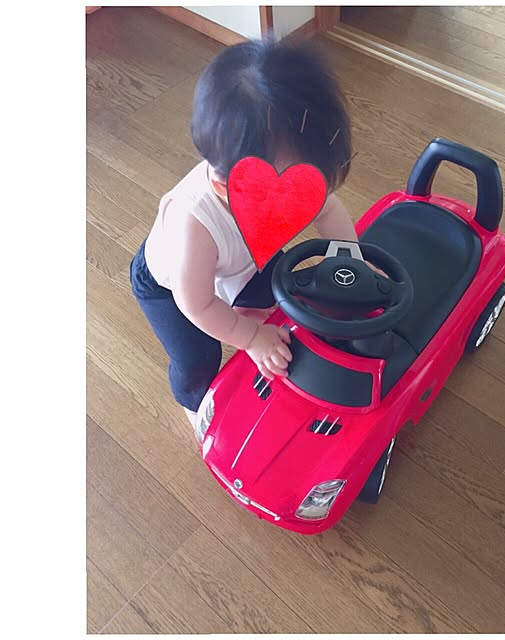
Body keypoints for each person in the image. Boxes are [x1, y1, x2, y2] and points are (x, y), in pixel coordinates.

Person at [129, 36, 359, 429]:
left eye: (306, 182)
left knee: (288, 284)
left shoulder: (296, 183)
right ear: (226, 186)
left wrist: (351, 263)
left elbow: (330, 211)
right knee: (198, 358)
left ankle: (243, 306)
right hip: (172, 289)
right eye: (287, 187)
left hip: (241, 261)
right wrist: (250, 337)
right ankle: (195, 406)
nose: (302, 197)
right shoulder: (194, 224)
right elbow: (198, 304)